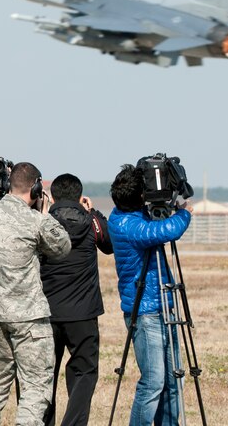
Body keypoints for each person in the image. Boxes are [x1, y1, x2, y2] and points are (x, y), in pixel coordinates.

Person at [0, 162, 71, 426]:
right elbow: (63, 247)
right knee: (36, 387)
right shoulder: (35, 221)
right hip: (28, 317)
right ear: (36, 188)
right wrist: (45, 214)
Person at [108, 164, 193, 426]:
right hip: (145, 312)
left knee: (172, 380)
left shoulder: (128, 214)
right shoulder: (127, 225)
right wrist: (184, 214)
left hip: (162, 306)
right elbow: (164, 231)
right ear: (139, 197)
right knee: (154, 382)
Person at [41, 174, 113, 426]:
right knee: (84, 372)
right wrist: (93, 211)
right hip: (83, 313)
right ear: (79, 196)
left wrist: (43, 209)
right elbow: (109, 244)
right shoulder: (91, 221)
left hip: (45, 314)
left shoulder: (42, 222)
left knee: (42, 376)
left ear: (53, 196)